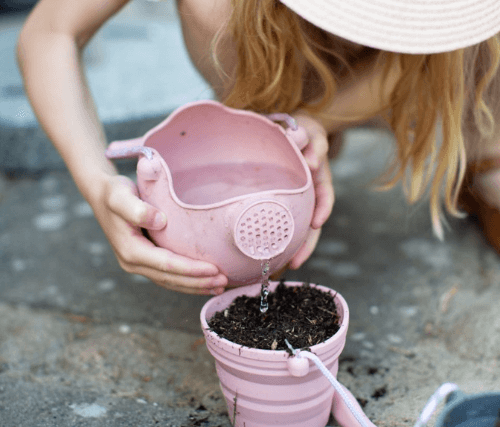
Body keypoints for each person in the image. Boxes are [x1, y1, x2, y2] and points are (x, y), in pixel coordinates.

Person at [17, 0, 500, 295]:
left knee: (479, 50)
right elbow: (51, 33)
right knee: (216, 7)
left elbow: (432, 47)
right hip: (272, 35)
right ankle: (267, 121)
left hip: (425, 70)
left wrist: (319, 120)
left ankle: (482, 149)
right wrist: (97, 181)